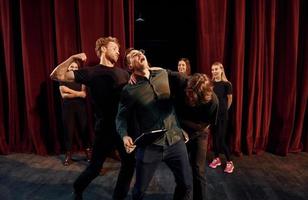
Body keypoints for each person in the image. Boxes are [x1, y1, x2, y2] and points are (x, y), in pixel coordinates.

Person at [50, 36, 135, 200]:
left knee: (130, 164)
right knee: (95, 168)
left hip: (123, 128)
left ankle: (118, 197)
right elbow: (56, 75)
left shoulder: (124, 73)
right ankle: (77, 188)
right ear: (103, 49)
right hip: (104, 129)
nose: (118, 52)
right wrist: (72, 58)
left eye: (118, 49)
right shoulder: (90, 72)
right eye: (114, 48)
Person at [116, 48, 193, 200]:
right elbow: (121, 117)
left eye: (139, 52)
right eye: (133, 56)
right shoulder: (129, 90)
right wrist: (124, 136)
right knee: (139, 192)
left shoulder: (163, 74)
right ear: (130, 66)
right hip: (150, 146)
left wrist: (181, 126)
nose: (138, 55)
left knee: (186, 185)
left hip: (175, 141)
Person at [177, 73, 219, 200]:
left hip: (199, 133)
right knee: (181, 170)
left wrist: (191, 130)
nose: (189, 99)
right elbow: (162, 72)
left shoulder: (213, 102)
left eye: (193, 98)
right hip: (179, 129)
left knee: (198, 170)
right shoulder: (181, 82)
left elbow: (203, 127)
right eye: (188, 95)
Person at [59, 60, 91, 166]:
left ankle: (88, 152)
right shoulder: (63, 79)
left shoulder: (81, 79)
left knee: (84, 129)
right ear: (68, 68)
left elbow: (84, 95)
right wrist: (77, 93)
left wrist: (69, 91)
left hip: (80, 107)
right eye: (71, 67)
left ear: (78, 69)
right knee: (68, 131)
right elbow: (64, 95)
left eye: (75, 67)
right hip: (67, 108)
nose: (73, 69)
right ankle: (68, 154)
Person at [208, 62, 234, 173]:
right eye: (212, 69)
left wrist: (224, 110)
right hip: (213, 115)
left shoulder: (227, 84)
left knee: (221, 140)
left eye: (216, 69)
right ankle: (216, 158)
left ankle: (229, 162)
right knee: (214, 139)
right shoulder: (211, 84)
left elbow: (229, 100)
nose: (214, 71)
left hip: (222, 116)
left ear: (221, 70)